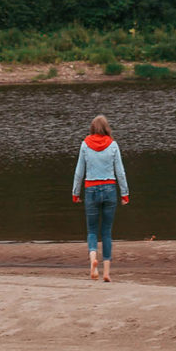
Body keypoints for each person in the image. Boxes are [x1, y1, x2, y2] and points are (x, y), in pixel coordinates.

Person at [71, 114, 129, 282]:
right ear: (106, 128)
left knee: (92, 230)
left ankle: (92, 262)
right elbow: (121, 172)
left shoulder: (85, 145)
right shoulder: (113, 145)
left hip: (91, 190)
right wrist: (125, 193)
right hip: (110, 189)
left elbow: (79, 171)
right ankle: (106, 272)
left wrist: (75, 192)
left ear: (92, 128)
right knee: (106, 232)